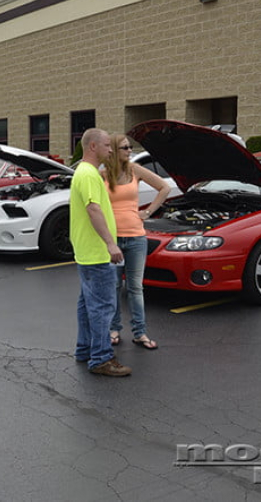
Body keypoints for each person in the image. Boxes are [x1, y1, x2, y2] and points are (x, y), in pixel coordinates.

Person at [70, 128, 132, 377]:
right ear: (93, 146)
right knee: (103, 307)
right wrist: (110, 243)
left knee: (88, 305)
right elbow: (93, 209)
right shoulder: (88, 174)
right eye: (107, 145)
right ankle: (101, 358)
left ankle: (85, 350)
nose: (111, 150)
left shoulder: (84, 172)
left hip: (87, 251)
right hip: (96, 253)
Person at [103, 134, 171, 350]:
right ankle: (114, 329)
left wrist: (148, 212)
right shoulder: (103, 174)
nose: (129, 150)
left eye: (130, 147)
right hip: (113, 239)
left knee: (135, 287)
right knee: (114, 286)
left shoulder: (135, 170)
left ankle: (140, 333)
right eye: (125, 147)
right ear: (114, 150)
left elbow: (164, 188)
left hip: (136, 237)